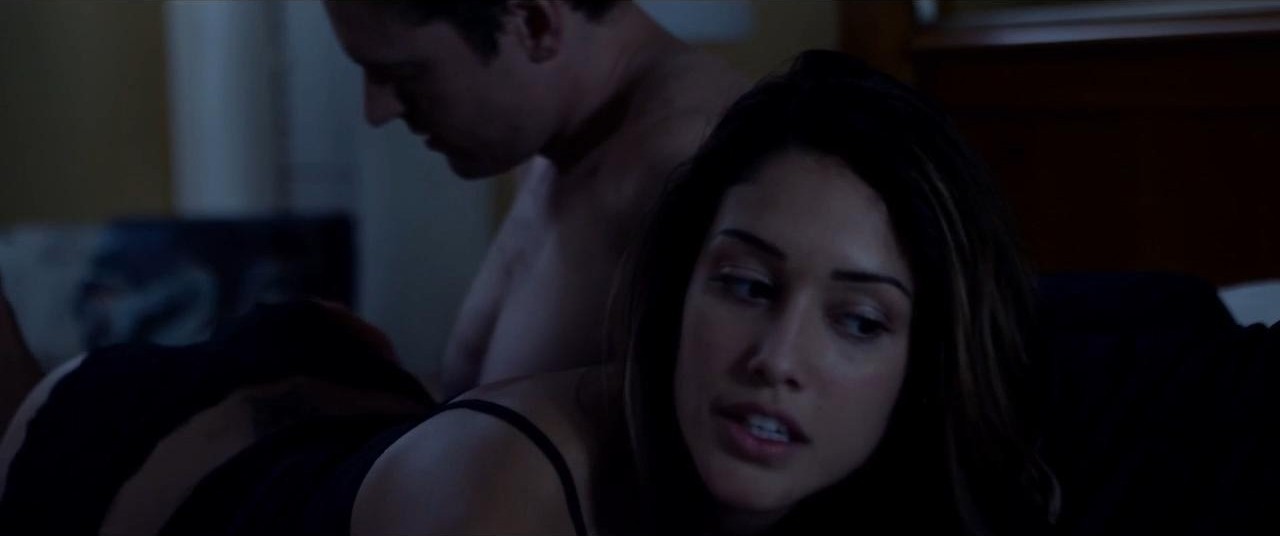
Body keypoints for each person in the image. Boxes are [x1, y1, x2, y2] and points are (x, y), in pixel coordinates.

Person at [1, 51, 1056, 535]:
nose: (775, 358)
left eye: (857, 319)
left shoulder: (906, 487)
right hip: (137, 447)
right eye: (742, 284)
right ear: (678, 285)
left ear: (923, 363)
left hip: (347, 398)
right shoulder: (509, 496)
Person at [324, 0, 749, 399]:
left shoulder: (690, 168)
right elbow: (493, 397)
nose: (376, 111)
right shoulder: (556, 142)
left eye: (405, 72)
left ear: (534, 25)